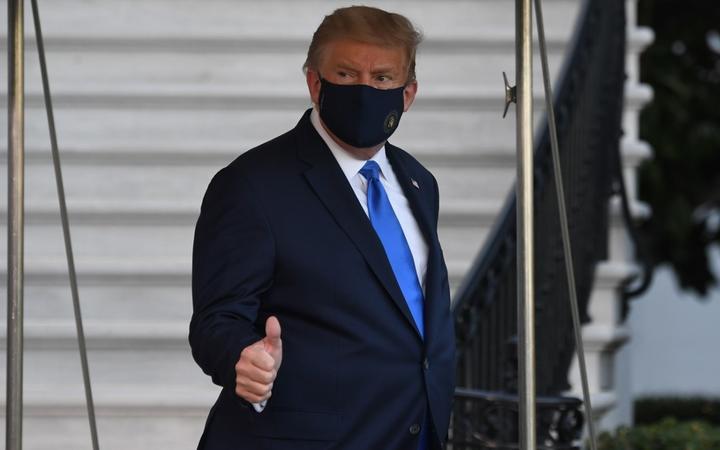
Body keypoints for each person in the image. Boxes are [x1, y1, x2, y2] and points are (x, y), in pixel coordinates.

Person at [190, 5, 456, 450]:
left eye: (383, 78)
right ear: (315, 82)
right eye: (347, 75)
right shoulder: (252, 184)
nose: (366, 89)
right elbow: (217, 318)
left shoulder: (418, 182)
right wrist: (242, 357)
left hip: (411, 431)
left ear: (408, 94)